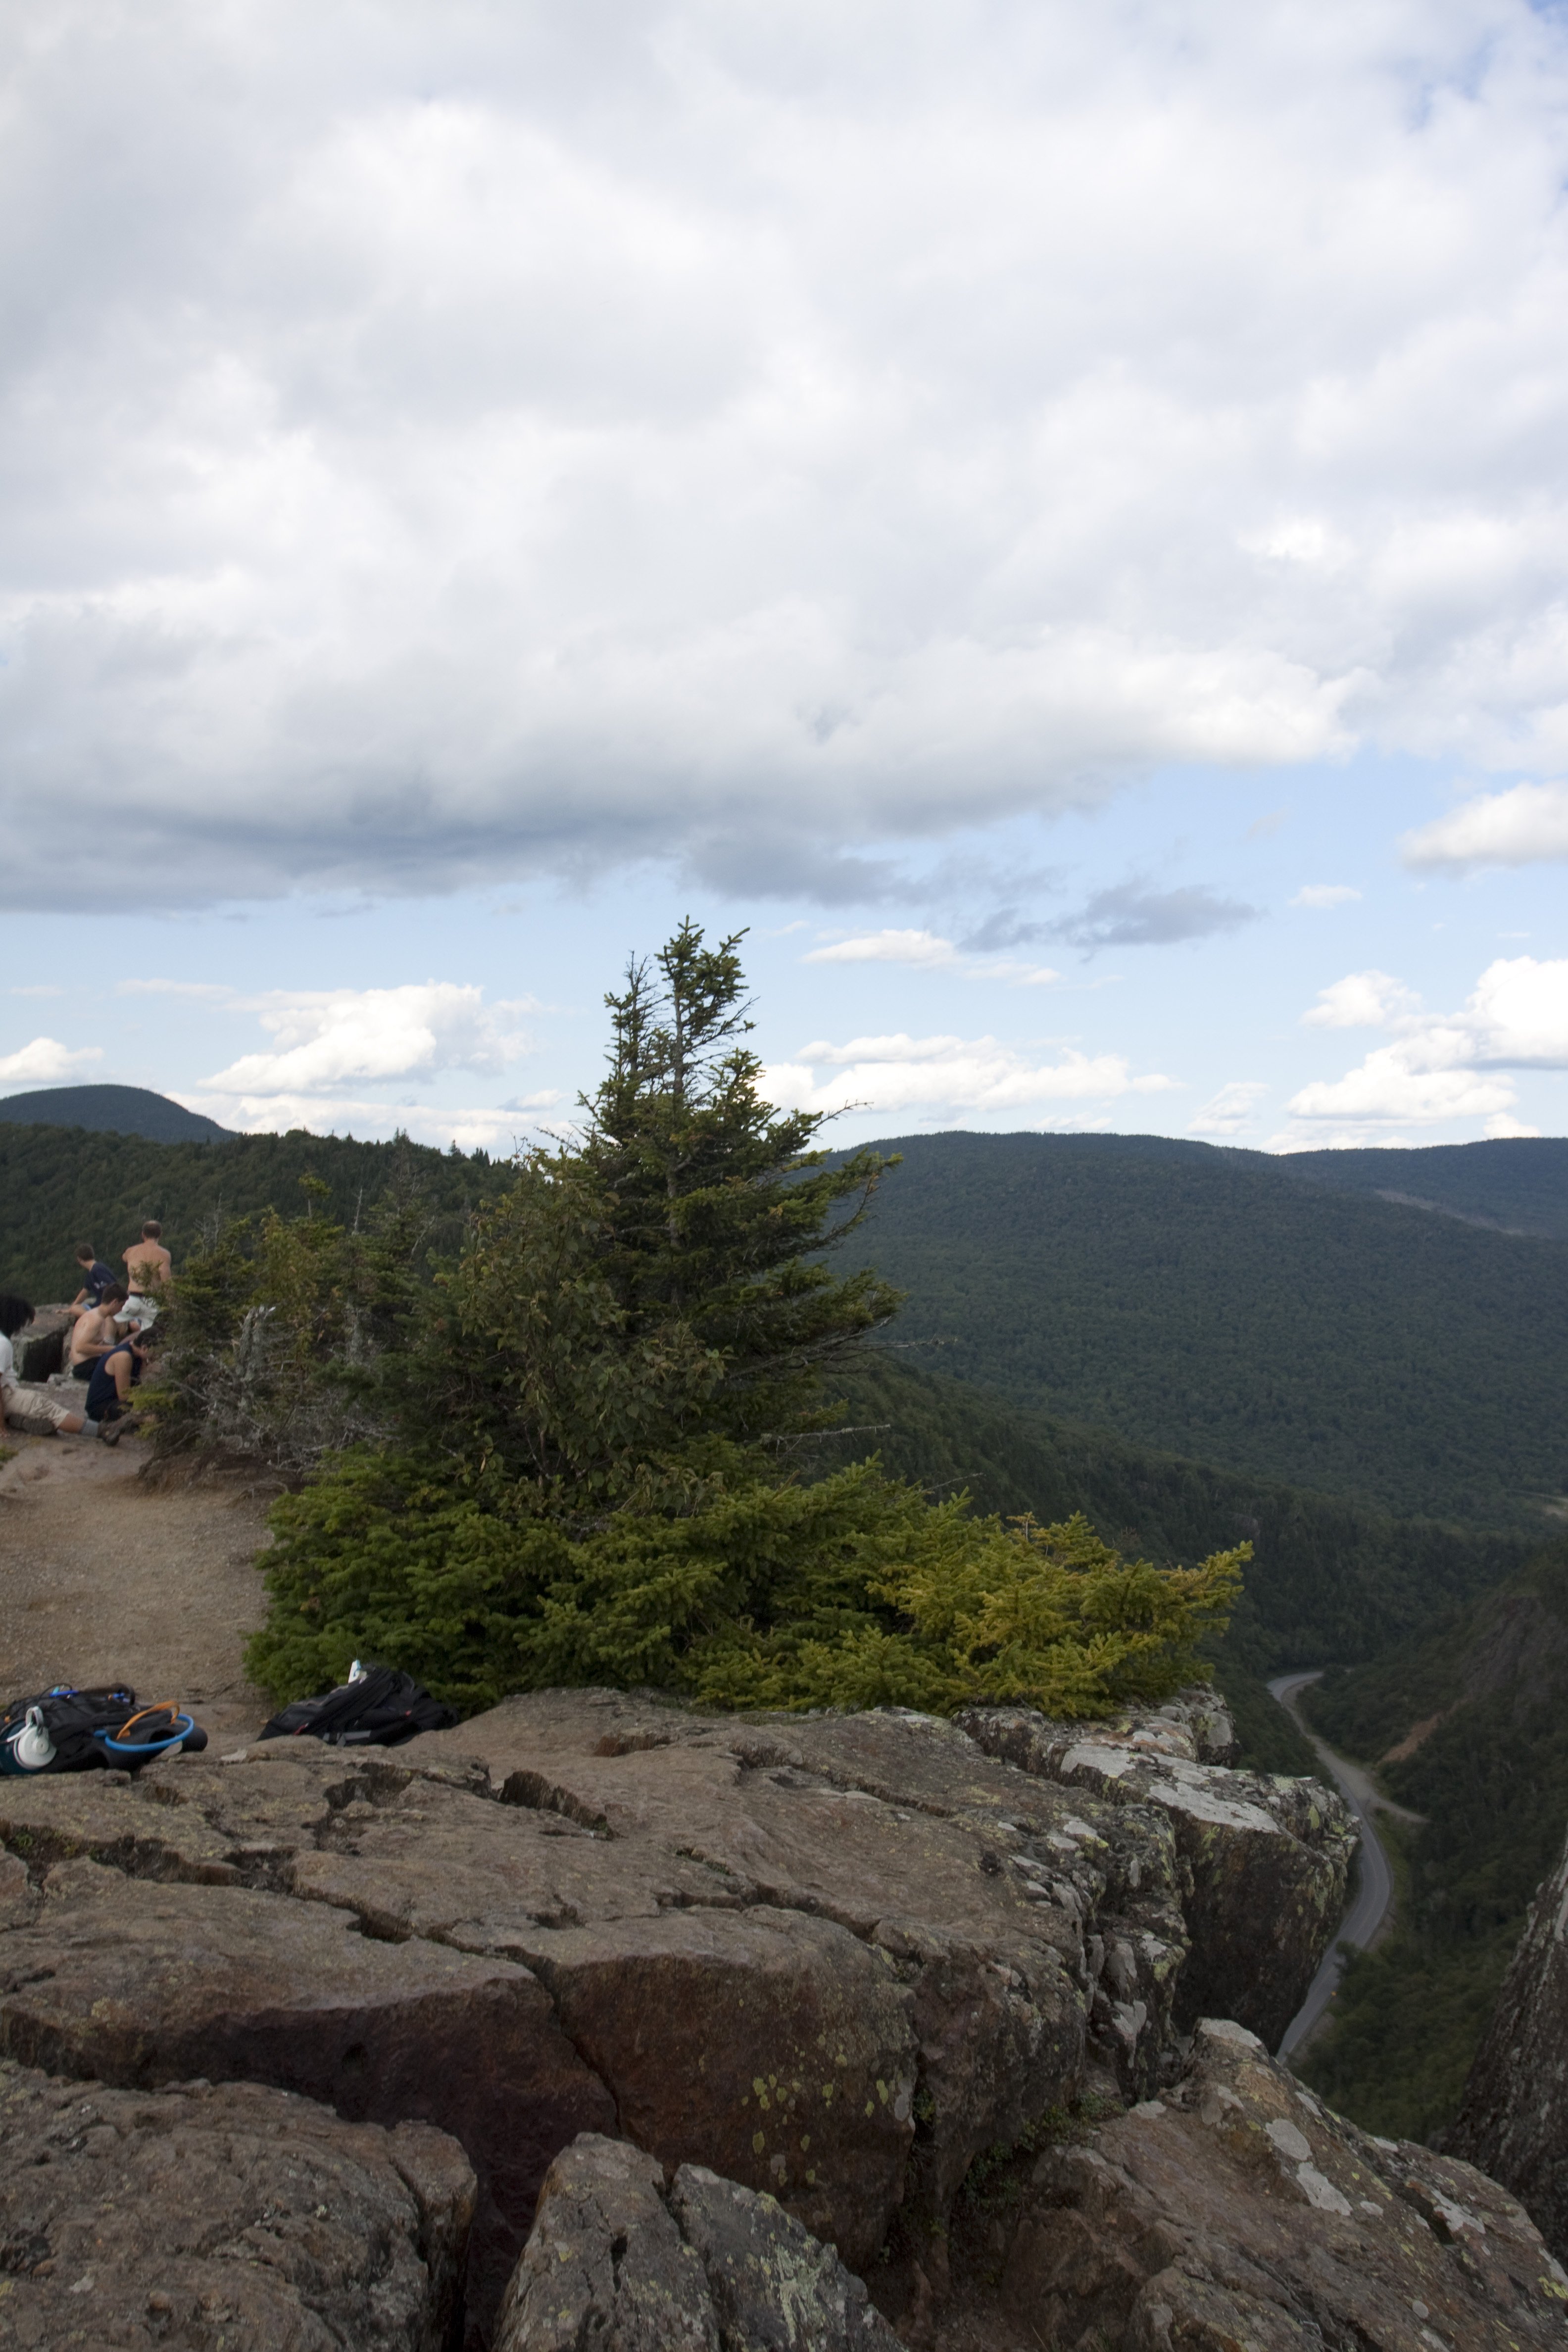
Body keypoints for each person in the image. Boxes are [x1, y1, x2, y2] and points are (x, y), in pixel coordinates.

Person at [0, 1294, 117, 1441]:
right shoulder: (3, 1344)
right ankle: (102, 1431)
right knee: (46, 1407)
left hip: (8, 1392)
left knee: (30, 1404)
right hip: (6, 1393)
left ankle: (19, 1419)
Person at [83, 1327, 147, 1444]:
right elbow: (124, 1396)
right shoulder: (124, 1356)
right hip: (102, 1407)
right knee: (145, 1414)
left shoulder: (138, 1355)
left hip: (115, 1401)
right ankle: (115, 1427)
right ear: (145, 1348)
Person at [121, 1221, 173, 1333]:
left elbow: (124, 1257)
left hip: (133, 1299)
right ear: (160, 1235)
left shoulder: (131, 1251)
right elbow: (167, 1282)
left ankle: (110, 1340)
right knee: (148, 1335)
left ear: (143, 1235)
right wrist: (170, 1305)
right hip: (152, 1301)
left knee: (116, 1319)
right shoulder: (164, 1254)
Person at [69, 1286, 130, 1377]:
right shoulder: (96, 1319)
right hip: (85, 1367)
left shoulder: (98, 1315)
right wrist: (112, 1349)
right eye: (121, 1306)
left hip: (89, 1364)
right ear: (115, 1302)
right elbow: (80, 1348)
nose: (121, 1310)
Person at [69, 1243, 117, 1320]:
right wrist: (73, 1306)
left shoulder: (98, 1269)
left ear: (79, 1259)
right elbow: (85, 1292)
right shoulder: (91, 1273)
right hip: (99, 1305)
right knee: (75, 1308)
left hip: (107, 1306)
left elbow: (112, 1287)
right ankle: (93, 1316)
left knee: (75, 1309)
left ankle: (95, 1318)